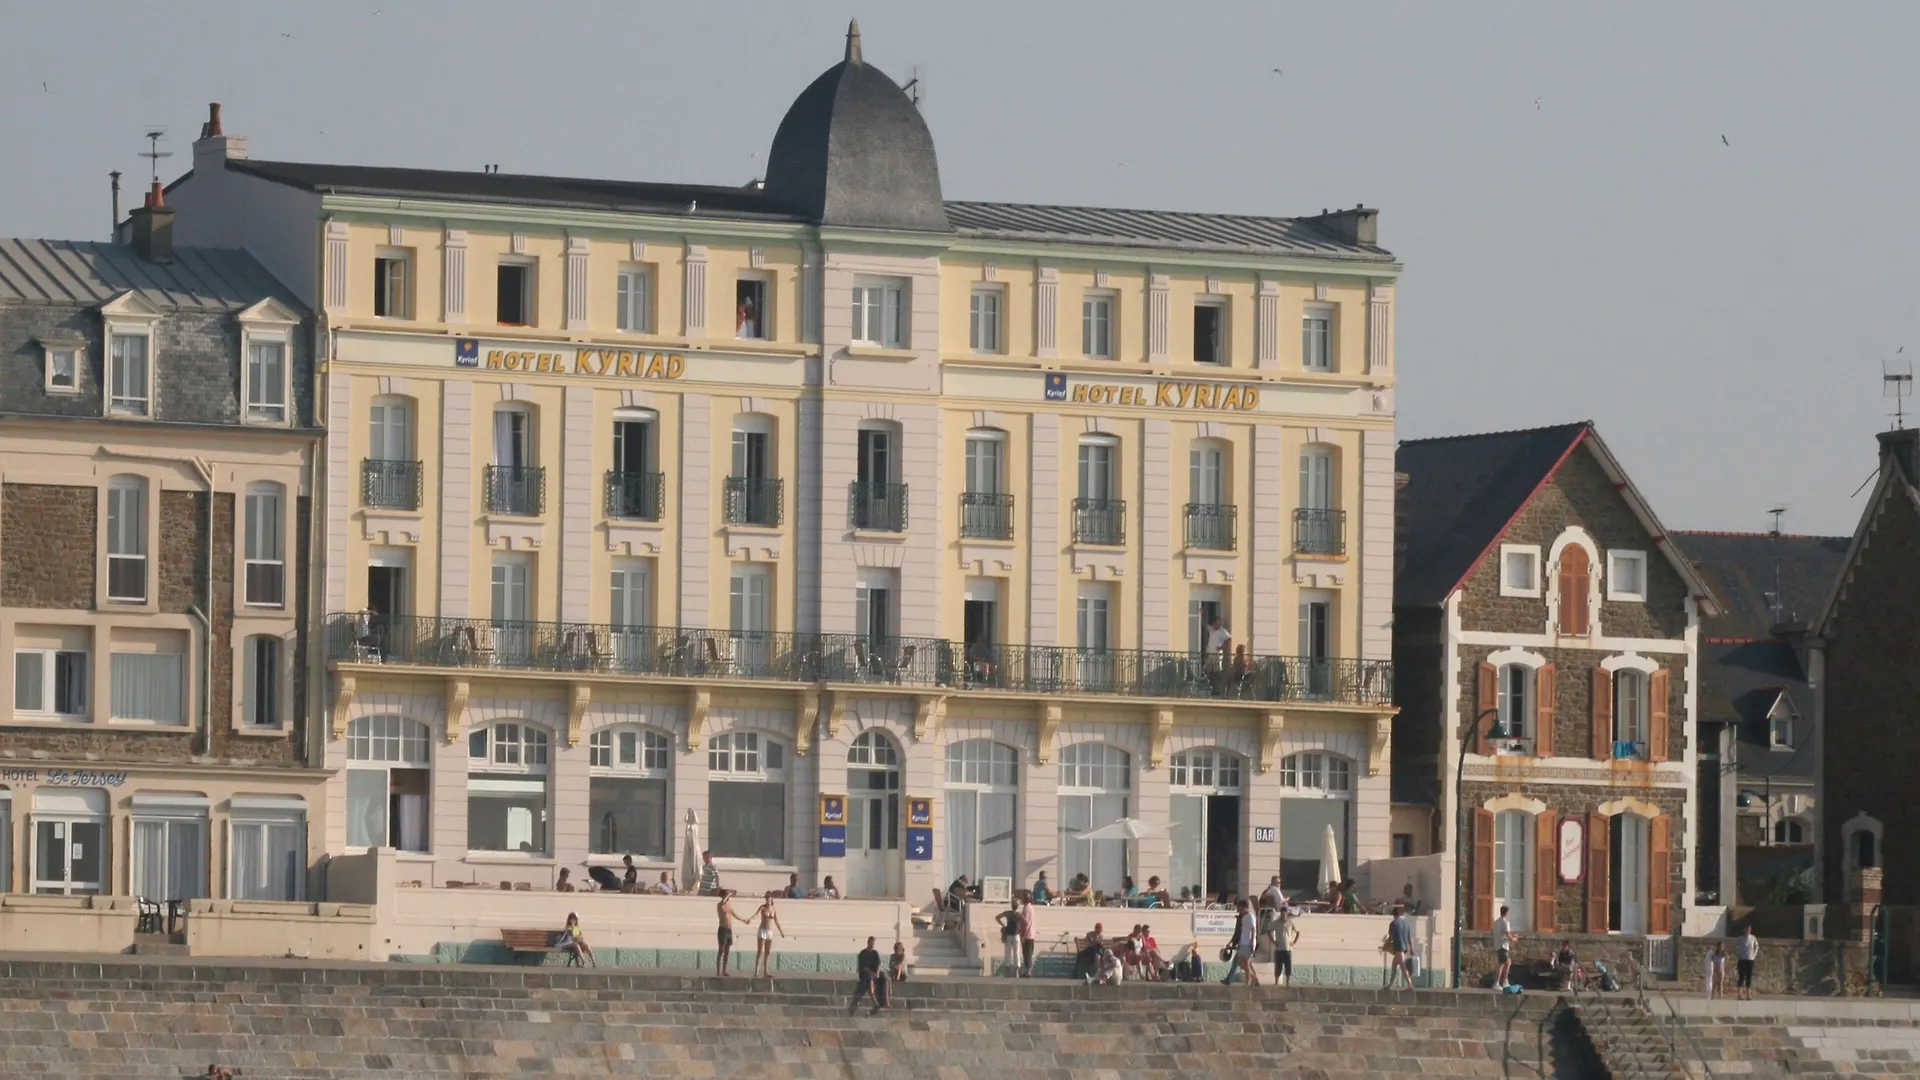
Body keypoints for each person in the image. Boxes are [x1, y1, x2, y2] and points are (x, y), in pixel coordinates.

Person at [1225, 898, 1260, 987]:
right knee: (1240, 963)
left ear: (1244, 908)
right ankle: (1254, 978)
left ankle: (1248, 982)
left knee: (1246, 963)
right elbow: (1242, 932)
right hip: (1243, 943)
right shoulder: (1243, 917)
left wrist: (1252, 943)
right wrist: (1240, 942)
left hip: (1249, 943)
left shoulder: (1251, 917)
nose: (1238, 910)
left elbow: (1253, 930)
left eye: (1239, 908)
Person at [750, 891, 785, 978]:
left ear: (771, 899)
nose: (767, 899)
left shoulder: (773, 909)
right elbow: (756, 914)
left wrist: (781, 931)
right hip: (762, 930)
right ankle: (756, 971)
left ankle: (766, 971)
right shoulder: (763, 907)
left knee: (767, 952)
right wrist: (750, 919)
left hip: (769, 931)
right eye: (766, 898)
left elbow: (776, 921)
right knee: (760, 951)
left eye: (769, 898)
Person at [714, 889, 747, 977]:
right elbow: (722, 904)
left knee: (727, 951)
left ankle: (724, 970)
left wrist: (743, 920)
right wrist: (726, 896)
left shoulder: (729, 905)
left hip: (729, 930)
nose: (728, 898)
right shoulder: (720, 905)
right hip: (722, 929)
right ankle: (718, 971)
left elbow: (735, 915)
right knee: (721, 950)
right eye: (727, 896)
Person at [851, 936, 886, 1015]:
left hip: (874, 972)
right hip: (865, 973)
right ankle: (875, 1002)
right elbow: (864, 967)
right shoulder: (863, 953)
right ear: (868, 943)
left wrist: (877, 973)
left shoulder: (875, 953)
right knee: (869, 978)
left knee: (885, 978)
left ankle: (885, 1001)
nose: (872, 945)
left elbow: (878, 964)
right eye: (871, 943)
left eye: (873, 944)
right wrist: (872, 973)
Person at [1269, 904, 1300, 987]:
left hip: (1288, 949)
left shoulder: (1290, 923)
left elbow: (1298, 932)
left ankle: (1288, 983)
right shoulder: (1276, 923)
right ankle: (1276, 982)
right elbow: (1269, 931)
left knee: (1288, 966)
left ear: (1287, 914)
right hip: (1279, 949)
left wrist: (1294, 942)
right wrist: (1273, 941)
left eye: (1284, 914)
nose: (1283, 916)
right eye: (1282, 914)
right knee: (1278, 966)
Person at [1386, 905, 1416, 990]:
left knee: (1403, 967)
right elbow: (1410, 937)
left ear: (1394, 915)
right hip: (1405, 947)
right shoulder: (1407, 923)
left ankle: (1409, 985)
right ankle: (1390, 985)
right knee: (1394, 965)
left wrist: (1385, 945)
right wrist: (1412, 949)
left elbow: (1391, 937)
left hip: (1399, 947)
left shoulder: (1393, 923)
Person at [994, 896, 1023, 977]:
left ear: (1012, 905)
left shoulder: (1007, 913)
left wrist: (1003, 925)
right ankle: (1016, 972)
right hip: (1016, 934)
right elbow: (1025, 922)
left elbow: (997, 917)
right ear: (1018, 906)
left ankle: (1007, 972)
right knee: (1016, 953)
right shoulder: (1018, 914)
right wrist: (1020, 928)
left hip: (1008, 934)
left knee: (1007, 953)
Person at [1492, 905, 1517, 989]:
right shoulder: (1505, 922)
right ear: (1506, 913)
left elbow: (1501, 934)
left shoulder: (1496, 922)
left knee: (1507, 962)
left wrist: (1511, 937)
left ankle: (1504, 981)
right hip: (1503, 946)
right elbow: (1508, 934)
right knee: (1502, 964)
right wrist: (1514, 939)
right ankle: (1497, 983)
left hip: (1498, 945)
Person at [1017, 890, 1038, 978]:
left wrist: (1023, 935)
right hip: (1030, 934)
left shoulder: (1026, 909)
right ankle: (1027, 972)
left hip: (1027, 934)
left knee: (1027, 954)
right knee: (1027, 953)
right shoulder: (1029, 908)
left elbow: (1025, 922)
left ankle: (1028, 972)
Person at [1736, 925, 1760, 1000]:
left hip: (1750, 959)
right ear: (1744, 930)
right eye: (1747, 929)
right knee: (1741, 977)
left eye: (1749, 930)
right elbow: (1735, 946)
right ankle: (1739, 995)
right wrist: (1738, 954)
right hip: (1742, 959)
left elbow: (1756, 946)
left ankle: (1748, 995)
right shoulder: (1740, 938)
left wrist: (1754, 955)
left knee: (1749, 977)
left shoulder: (1753, 938)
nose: (1748, 931)